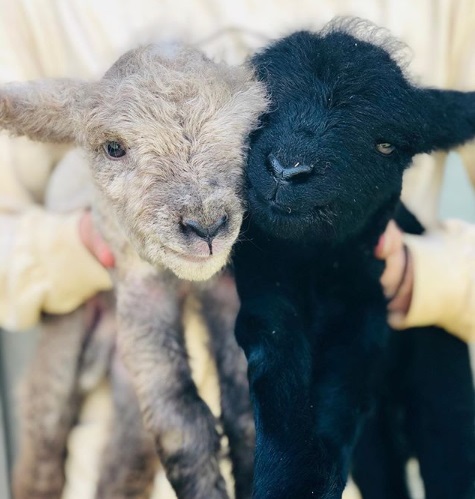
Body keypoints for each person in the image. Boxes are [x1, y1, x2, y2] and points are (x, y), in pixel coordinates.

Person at [0, 0, 474, 498]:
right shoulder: (39, 10)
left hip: (346, 453)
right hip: (126, 467)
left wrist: (420, 275)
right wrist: (95, 241)